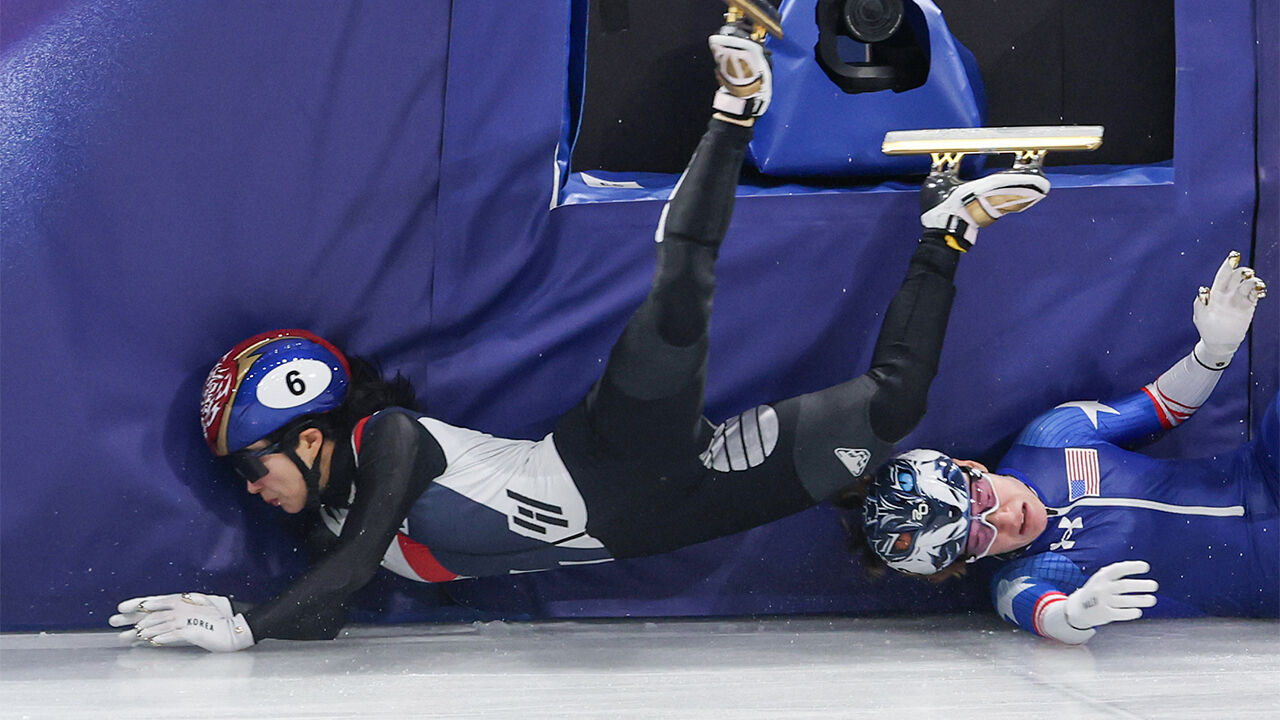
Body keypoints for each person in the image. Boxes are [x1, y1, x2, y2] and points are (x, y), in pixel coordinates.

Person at [110, 16, 1053, 652]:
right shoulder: (324, 514)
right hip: (668, 514)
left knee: (678, 298)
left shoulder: (387, 442)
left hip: (605, 460)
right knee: (894, 409)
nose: (252, 490)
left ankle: (733, 110)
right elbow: (322, 614)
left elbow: (354, 574)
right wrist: (243, 621)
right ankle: (950, 226)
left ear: (310, 434)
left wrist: (239, 626)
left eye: (253, 465)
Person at [857, 252, 1275, 643]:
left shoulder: (1053, 436)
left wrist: (1213, 351)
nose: (1003, 517)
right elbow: (1049, 615)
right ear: (964, 562)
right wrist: (1076, 613)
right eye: (980, 535)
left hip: (1261, 471)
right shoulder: (1020, 578)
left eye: (981, 498)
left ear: (970, 466)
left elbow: (1163, 407)